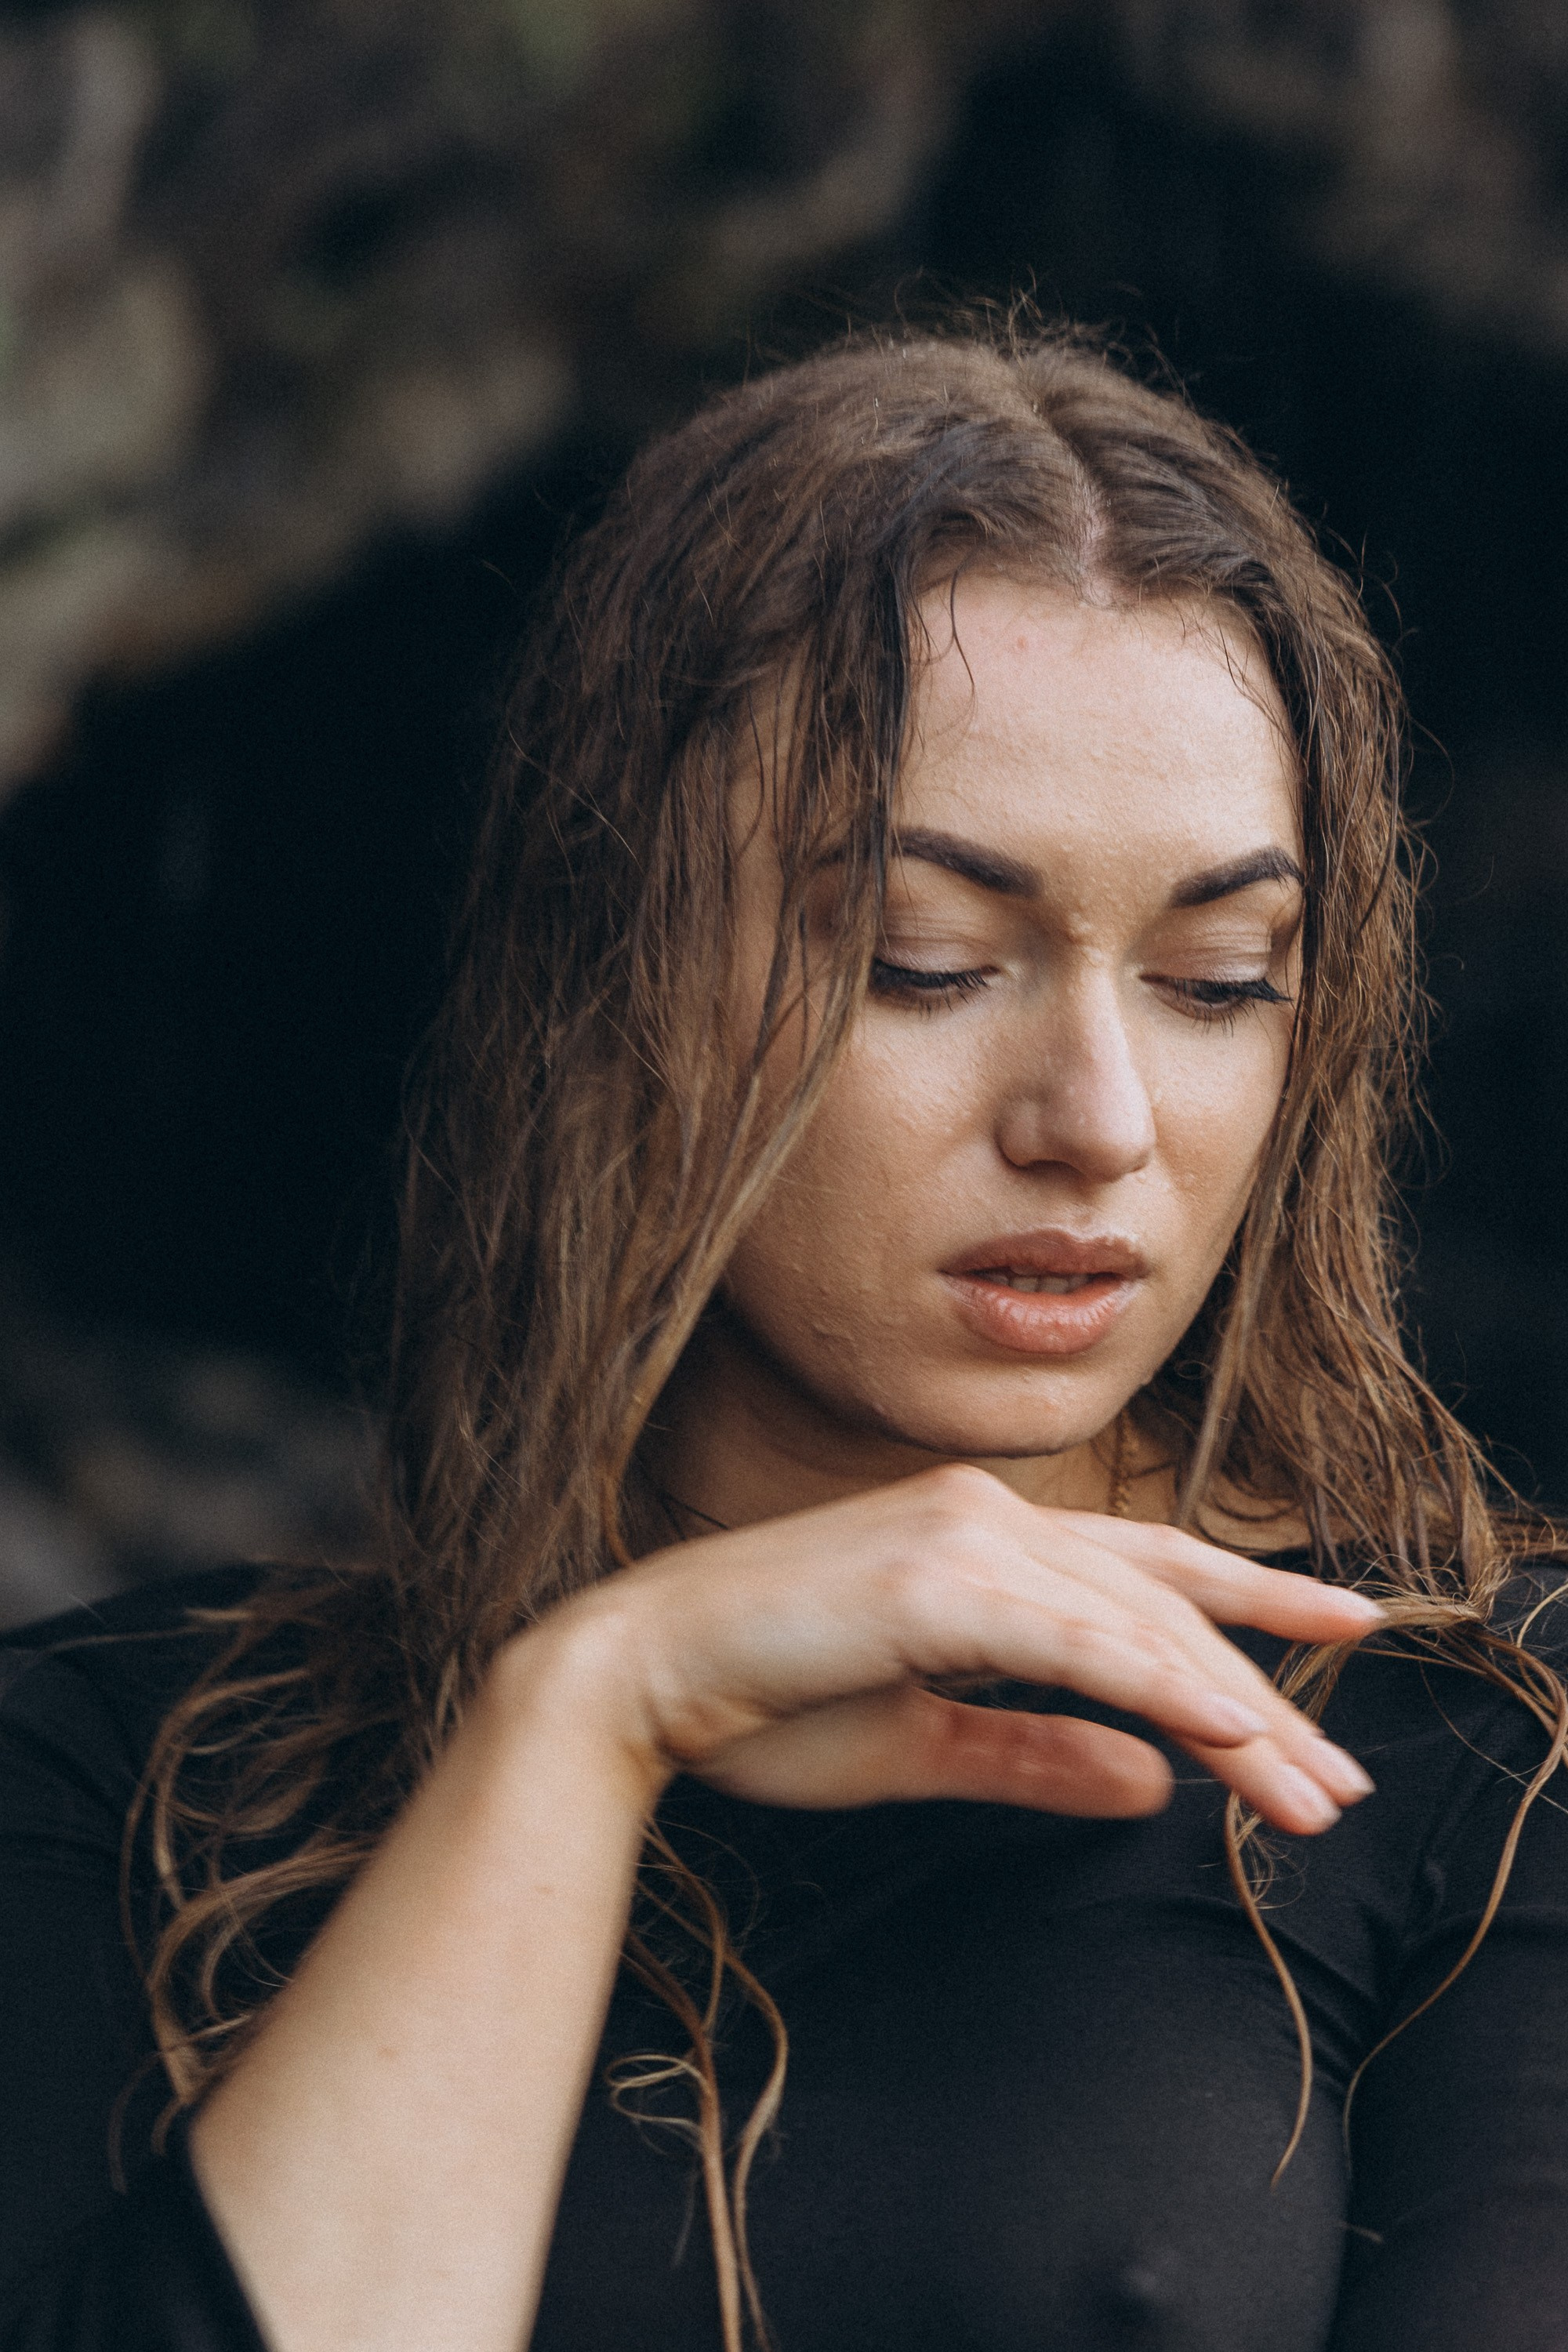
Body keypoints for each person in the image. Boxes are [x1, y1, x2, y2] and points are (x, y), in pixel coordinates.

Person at [3, 323, 1567, 2352]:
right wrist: (594, 1714)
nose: (1096, 1120)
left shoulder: (1477, 1754)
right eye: (925, 962)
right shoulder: (111, 1779)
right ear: (615, 971)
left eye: (1215, 977)